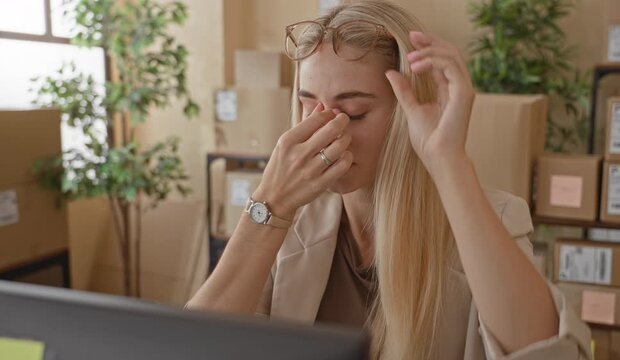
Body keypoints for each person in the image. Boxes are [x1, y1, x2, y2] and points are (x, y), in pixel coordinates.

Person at [186, 1, 590, 359]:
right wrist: (268, 207)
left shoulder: (494, 219)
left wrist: (447, 160)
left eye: (356, 112)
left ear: (407, 113)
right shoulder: (291, 222)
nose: (323, 129)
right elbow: (193, 346)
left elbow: (549, 353)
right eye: (307, 104)